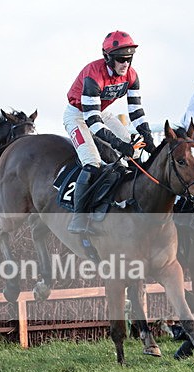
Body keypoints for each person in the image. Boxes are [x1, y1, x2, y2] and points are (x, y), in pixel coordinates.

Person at [64, 30, 155, 235]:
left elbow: (136, 112)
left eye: (129, 58)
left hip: (101, 112)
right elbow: (92, 121)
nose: (126, 64)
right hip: (78, 116)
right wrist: (119, 145)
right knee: (93, 162)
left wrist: (147, 136)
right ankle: (79, 218)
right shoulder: (93, 75)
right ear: (108, 58)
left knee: (133, 146)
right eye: (120, 59)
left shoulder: (132, 75)